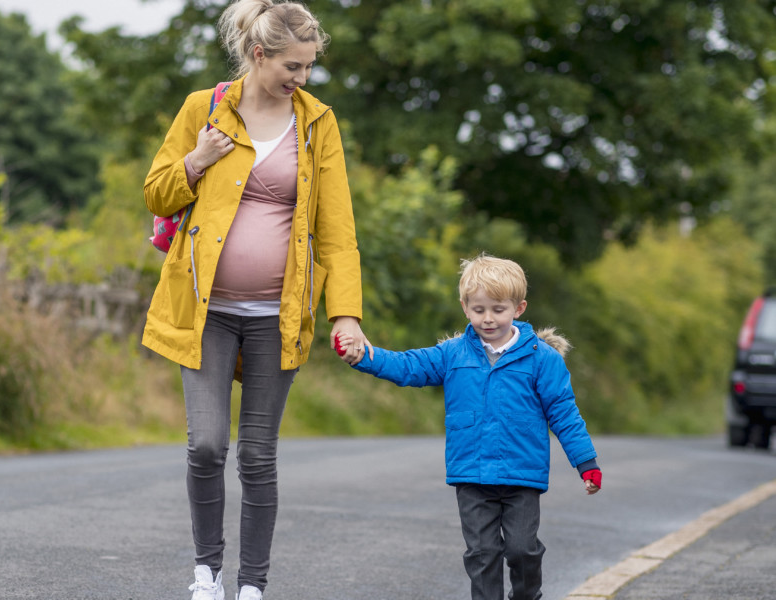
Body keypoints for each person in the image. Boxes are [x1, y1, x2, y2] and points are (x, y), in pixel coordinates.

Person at [141, 0, 369, 598]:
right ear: (258, 54)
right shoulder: (203, 108)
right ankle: (207, 573)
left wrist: (346, 314)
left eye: (311, 66)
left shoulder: (318, 124)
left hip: (278, 314)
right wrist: (197, 160)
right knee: (208, 444)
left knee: (259, 457)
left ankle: (253, 587)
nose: (304, 78)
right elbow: (156, 194)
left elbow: (338, 232)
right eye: (294, 66)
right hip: (205, 310)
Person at [340, 254, 602, 600]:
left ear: (519, 308)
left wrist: (587, 464)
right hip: (472, 475)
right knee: (482, 554)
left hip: (522, 476)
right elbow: (407, 366)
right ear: (465, 307)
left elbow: (564, 414)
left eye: (498, 309)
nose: (488, 318)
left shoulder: (542, 359)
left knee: (523, 551)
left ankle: (527, 595)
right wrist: (364, 357)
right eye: (479, 310)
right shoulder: (452, 354)